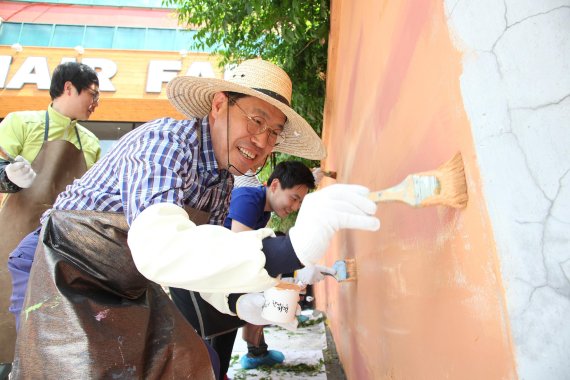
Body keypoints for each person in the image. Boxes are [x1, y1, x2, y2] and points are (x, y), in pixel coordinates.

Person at [11, 58, 380, 379]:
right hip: (55, 265)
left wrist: (241, 302)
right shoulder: (166, 142)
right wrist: (289, 249)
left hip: (123, 284)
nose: (263, 142)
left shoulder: (222, 184)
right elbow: (160, 247)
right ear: (219, 105)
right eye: (256, 120)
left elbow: (197, 262)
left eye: (274, 134)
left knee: (184, 363)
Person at [170, 160, 318, 378]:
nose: (295, 207)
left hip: (219, 281)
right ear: (275, 185)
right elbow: (241, 251)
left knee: (228, 328)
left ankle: (222, 373)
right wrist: (280, 279)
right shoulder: (249, 198)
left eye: (300, 202)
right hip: (197, 282)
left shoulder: (263, 210)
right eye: (294, 198)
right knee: (206, 341)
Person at [0, 61, 101, 375]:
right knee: (6, 330)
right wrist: (8, 177)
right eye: (92, 94)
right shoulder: (21, 123)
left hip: (63, 250)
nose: (96, 103)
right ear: (68, 87)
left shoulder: (92, 143)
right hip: (13, 241)